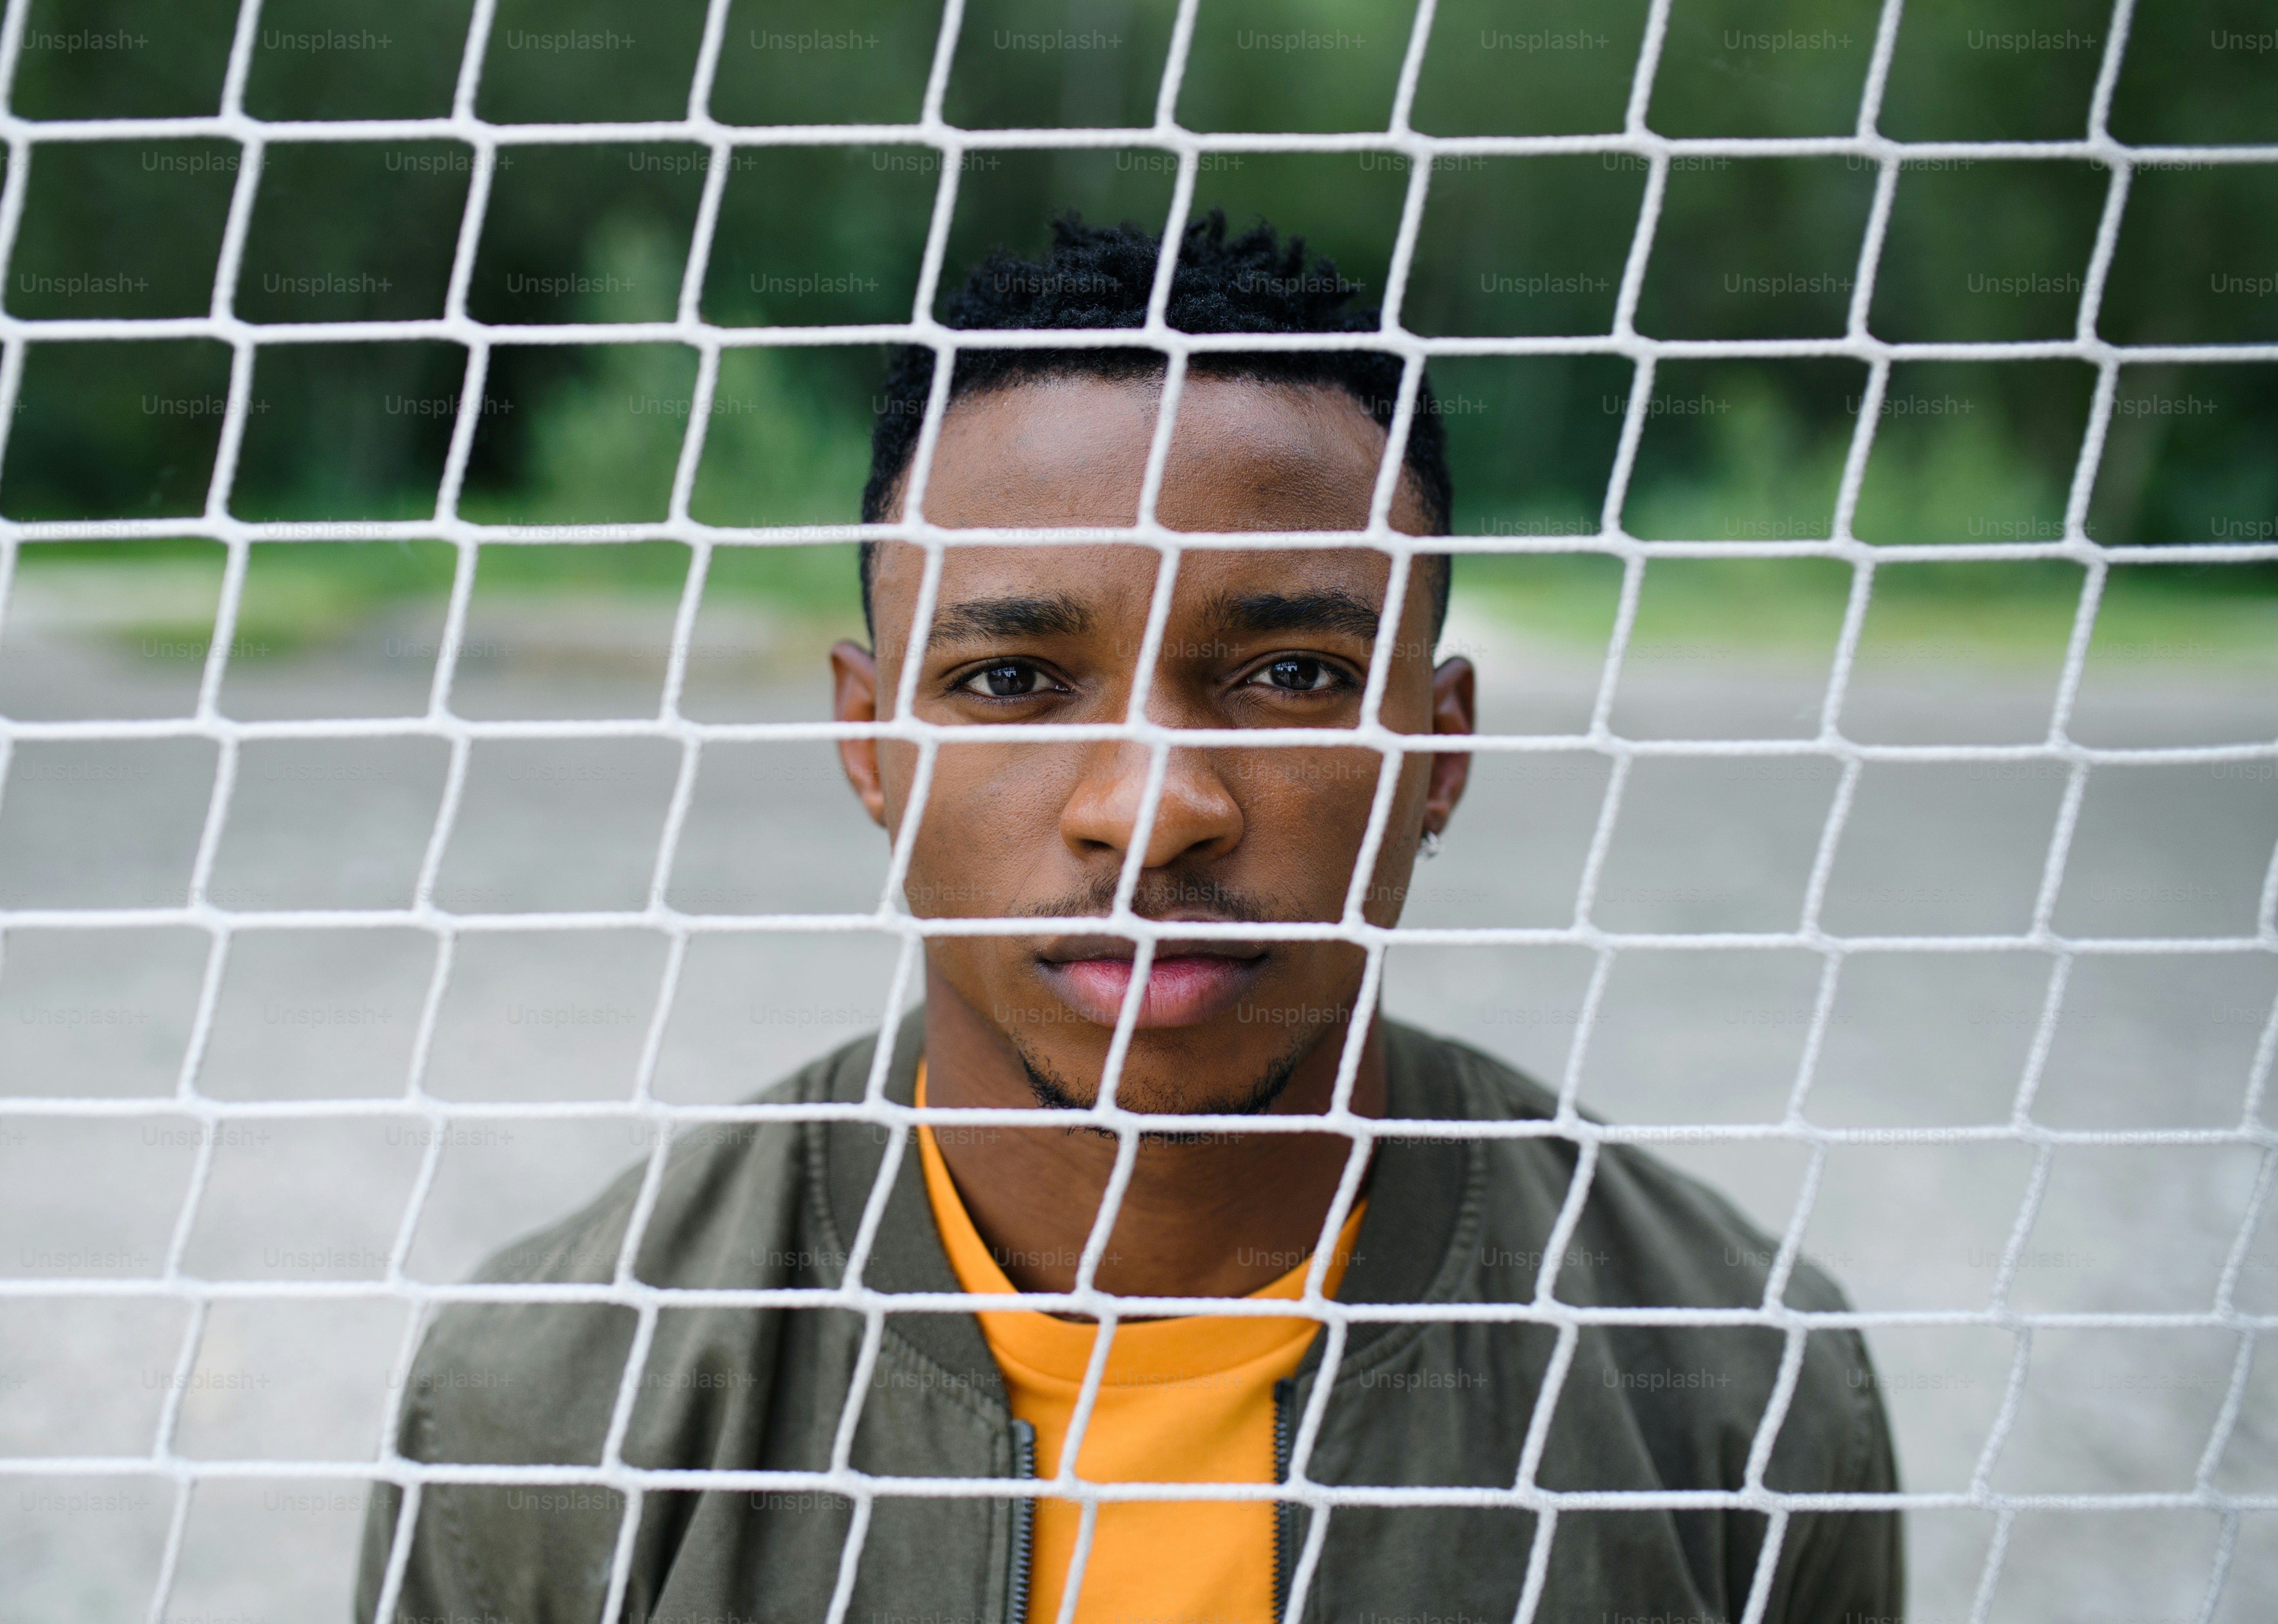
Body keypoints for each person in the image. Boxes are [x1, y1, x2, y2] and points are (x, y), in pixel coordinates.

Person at [357, 213, 1901, 1624]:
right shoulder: (548, 1402)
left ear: (1439, 754)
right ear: (871, 742)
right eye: (1013, 681)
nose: (1151, 808)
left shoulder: (1734, 1385)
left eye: (1291, 671)